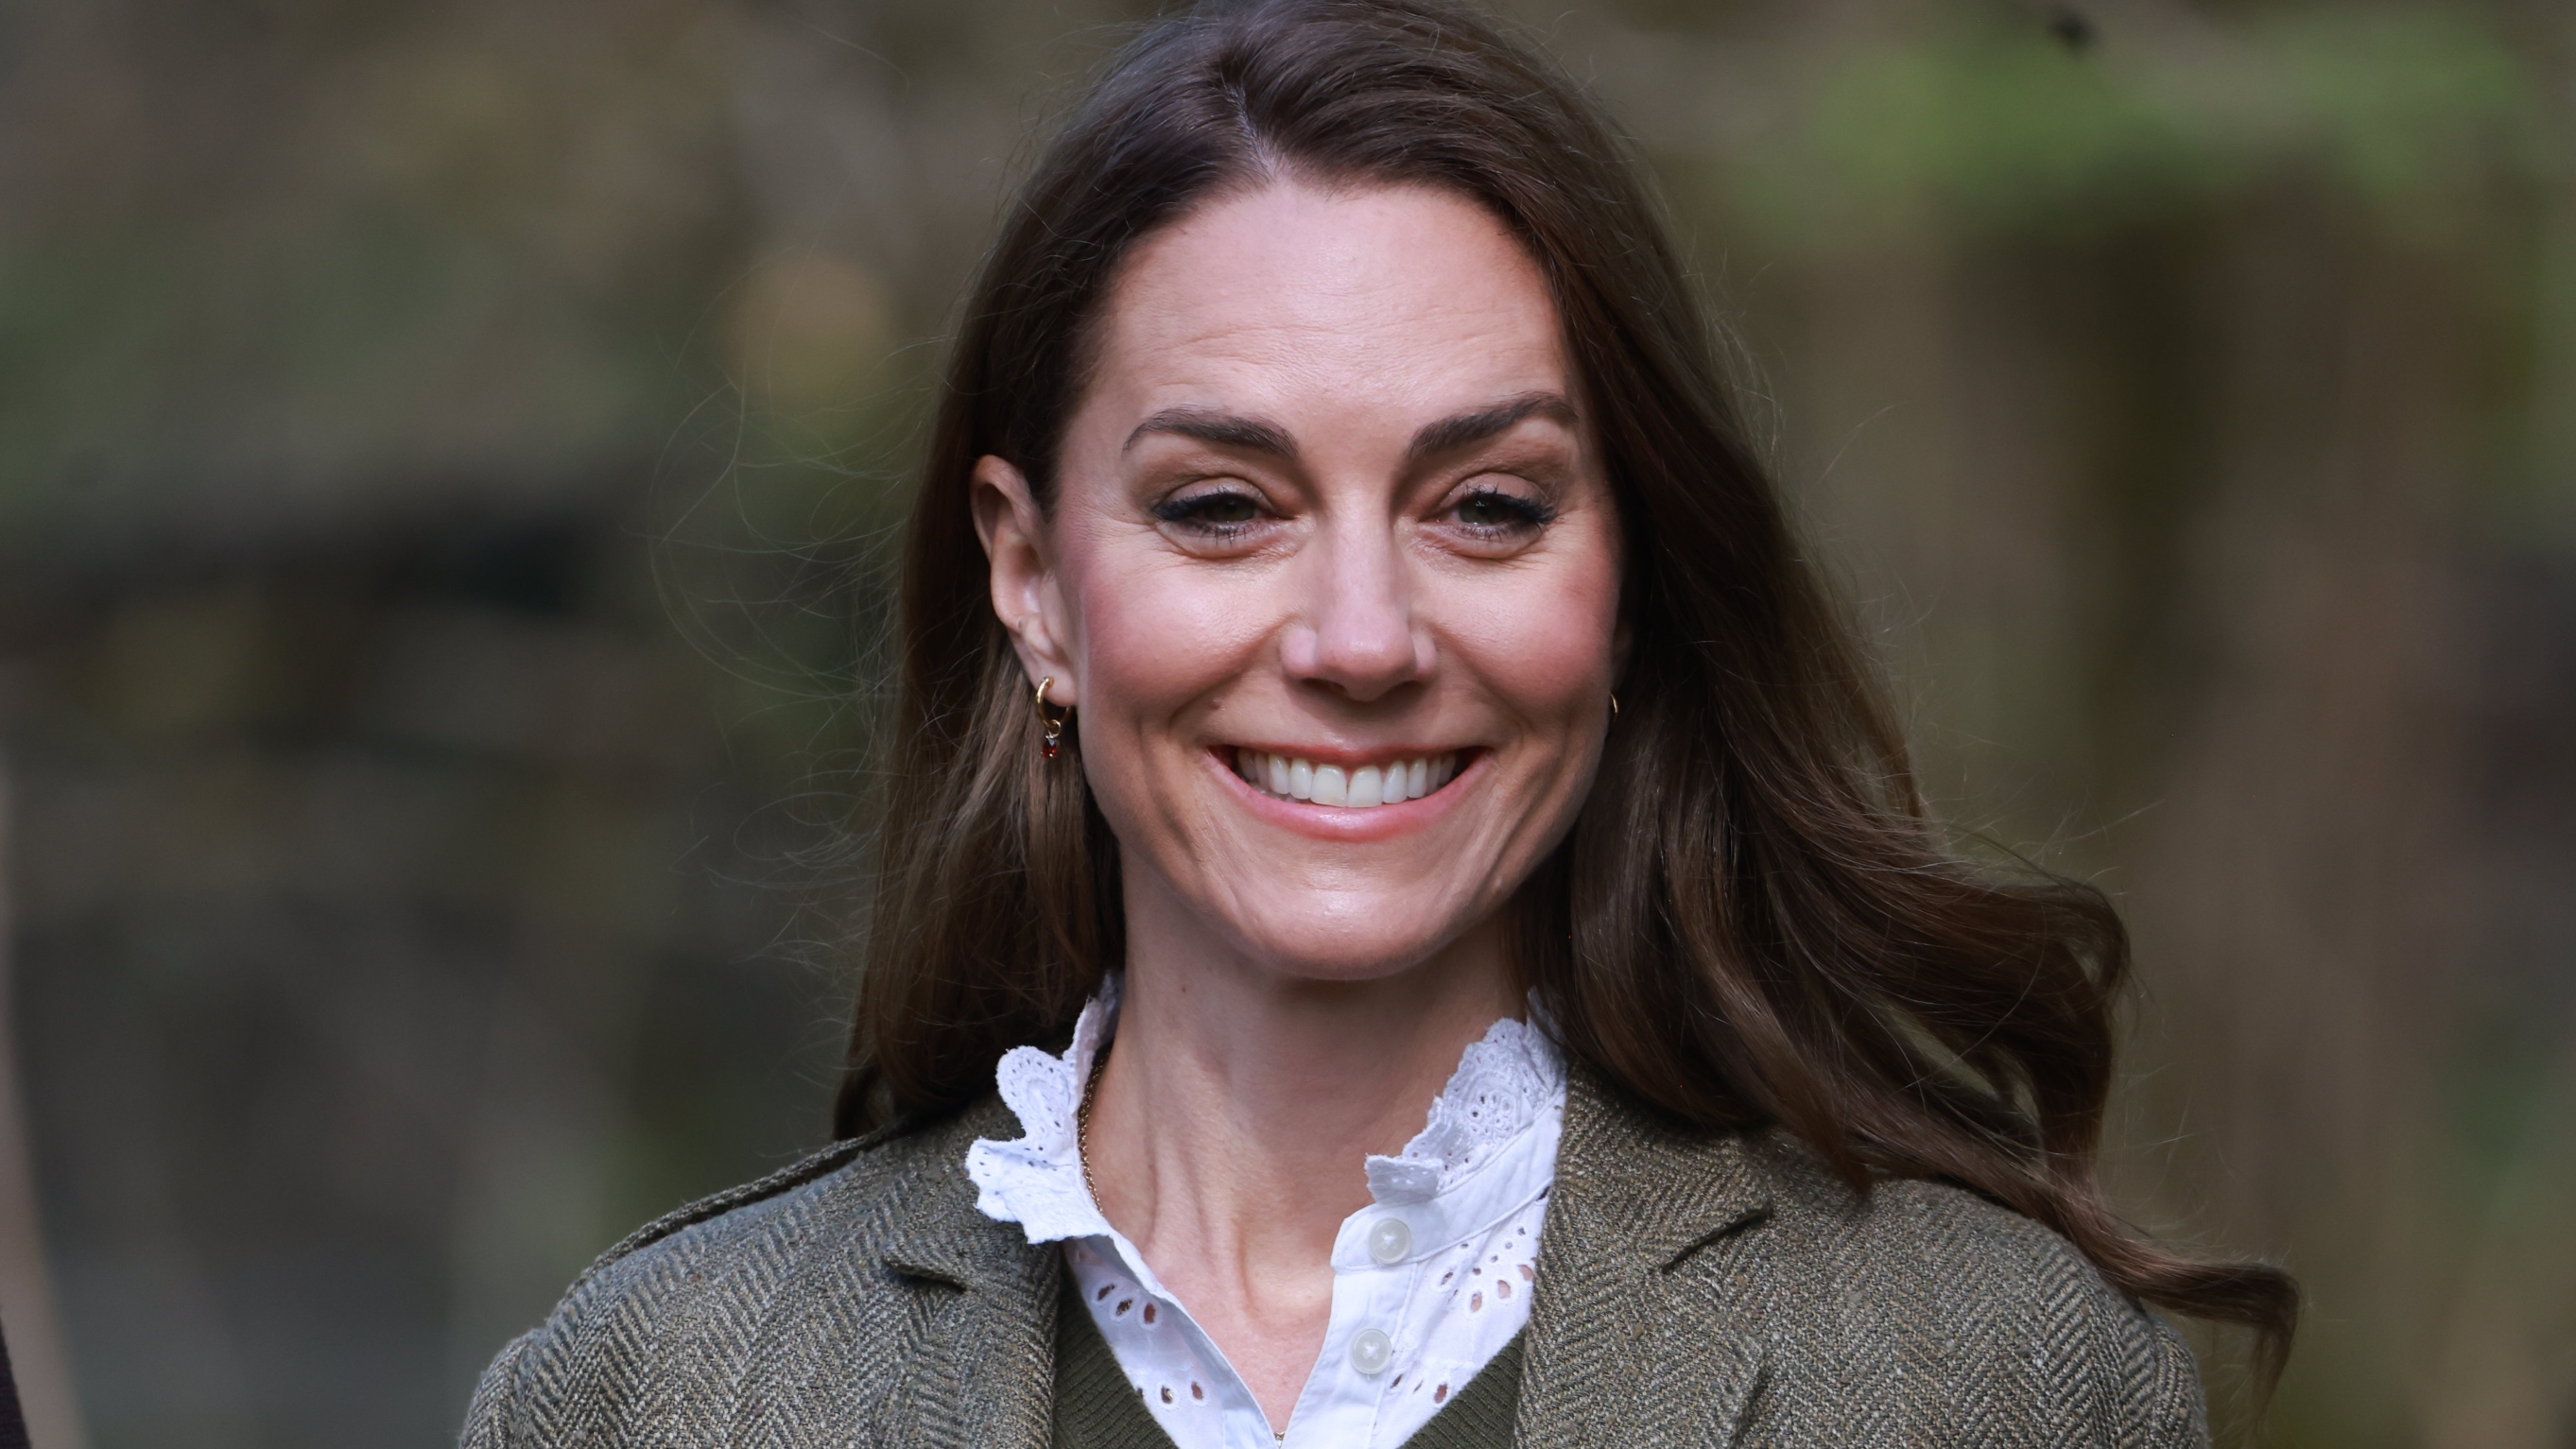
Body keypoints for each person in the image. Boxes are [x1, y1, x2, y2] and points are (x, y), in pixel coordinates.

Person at [460, 1, 2297, 1444]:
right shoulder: (652, 1398)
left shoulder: (1987, 1384)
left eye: (1484, 504)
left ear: (1630, 581)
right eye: (1222, 505)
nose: (1360, 637)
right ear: (1031, 581)